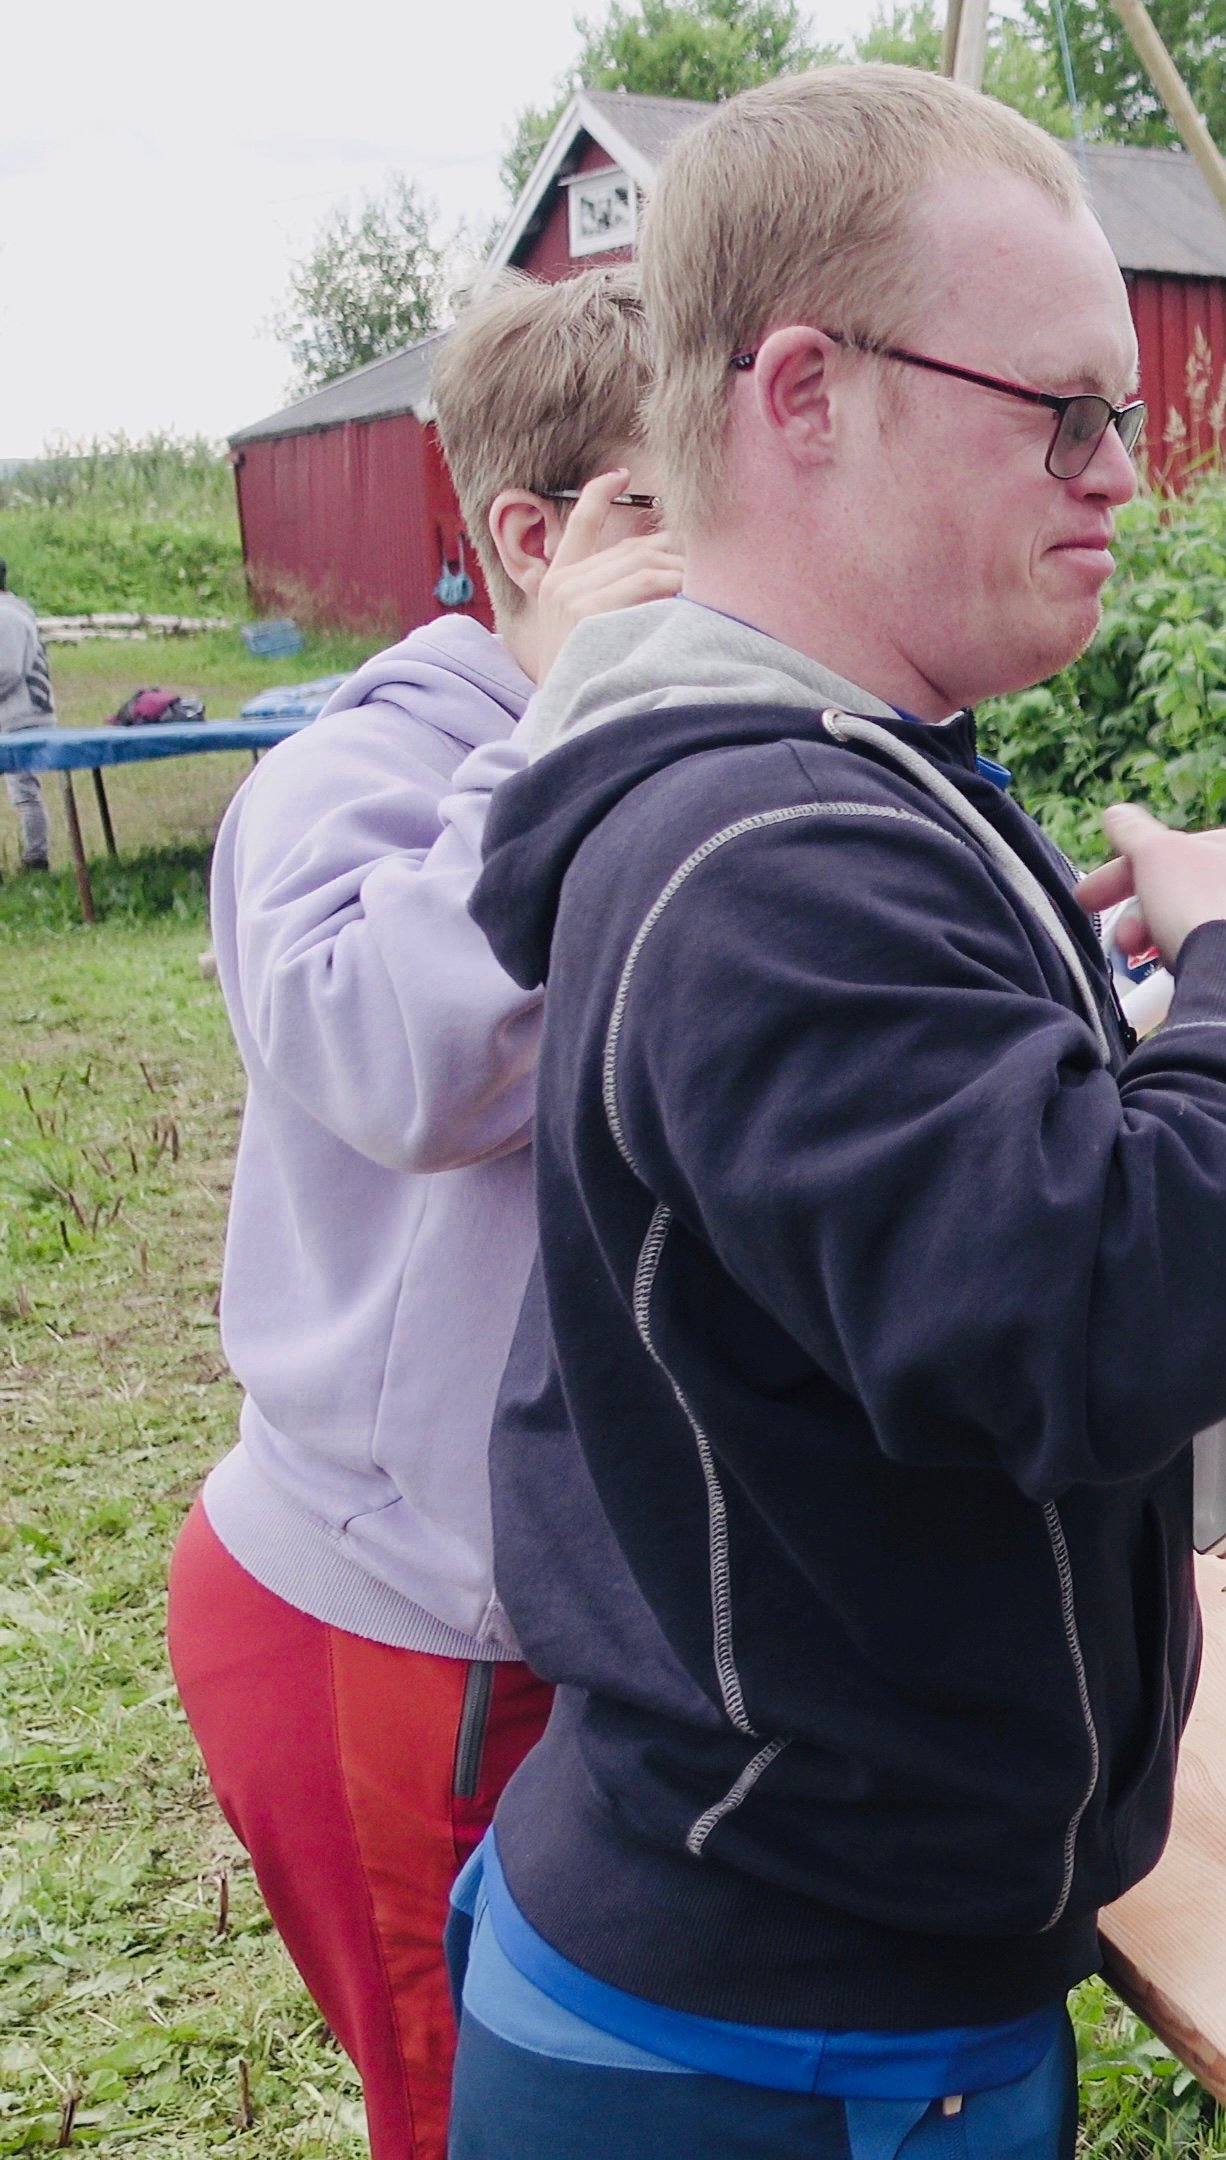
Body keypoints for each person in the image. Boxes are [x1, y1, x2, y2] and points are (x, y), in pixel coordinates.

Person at [452, 66, 1226, 2155]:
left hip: (786, 1967)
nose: (1122, 470)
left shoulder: (818, 783)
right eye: (1061, 410)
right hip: (782, 2047)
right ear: (804, 395)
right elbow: (1113, 1309)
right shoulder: (769, 857)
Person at [167, 263, 679, 2160]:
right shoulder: (345, 782)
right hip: (389, 1621)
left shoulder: (666, 750)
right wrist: (585, 721)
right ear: (528, 537)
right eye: (653, 512)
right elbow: (408, 1066)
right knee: (471, 2121)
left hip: (550, 1617)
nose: (703, 565)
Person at [0, 557, 50, 871]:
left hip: (21, 717)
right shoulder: (13, 610)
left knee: (24, 791)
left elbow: (7, 671)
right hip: (18, 714)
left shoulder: (5, 615)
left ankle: (36, 859)